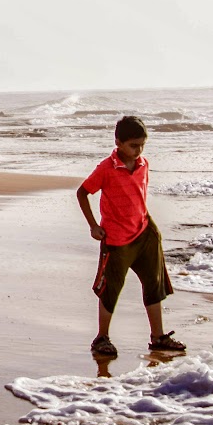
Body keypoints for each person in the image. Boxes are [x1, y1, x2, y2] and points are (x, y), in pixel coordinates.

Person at [75, 115, 185, 358]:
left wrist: (150, 227)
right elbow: (82, 193)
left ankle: (158, 337)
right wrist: (93, 226)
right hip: (116, 239)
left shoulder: (144, 164)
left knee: (154, 285)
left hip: (145, 233)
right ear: (118, 142)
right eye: (133, 145)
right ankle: (101, 338)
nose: (138, 150)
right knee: (110, 289)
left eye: (142, 145)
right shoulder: (106, 168)